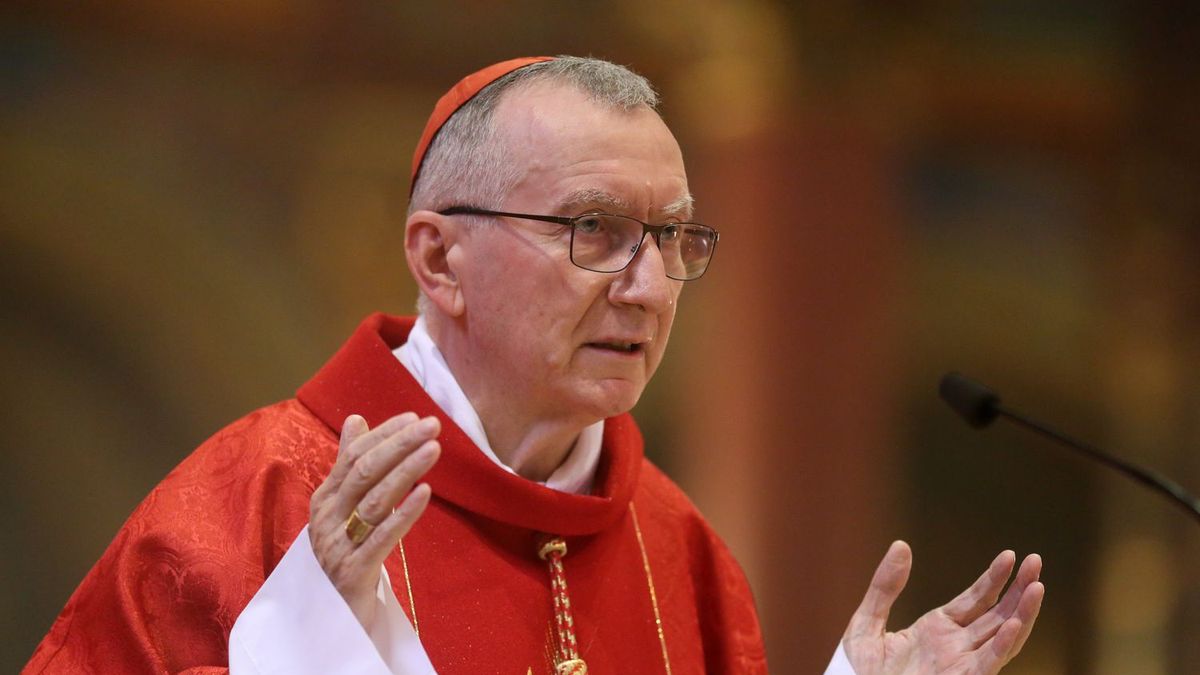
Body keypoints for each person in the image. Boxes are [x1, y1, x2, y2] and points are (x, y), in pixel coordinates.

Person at [25, 56, 1043, 674]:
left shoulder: (680, 553)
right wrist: (307, 634)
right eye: (593, 230)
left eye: (673, 239)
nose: (647, 287)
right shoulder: (256, 500)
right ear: (439, 257)